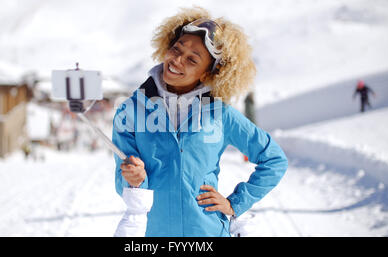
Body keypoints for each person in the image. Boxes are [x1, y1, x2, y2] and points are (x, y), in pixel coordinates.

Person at [112, 7, 288, 237]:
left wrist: (235, 203)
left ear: (208, 74)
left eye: (192, 59)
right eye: (176, 49)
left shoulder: (220, 114)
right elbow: (120, 179)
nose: (177, 60)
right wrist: (134, 180)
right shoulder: (130, 111)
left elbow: (274, 159)